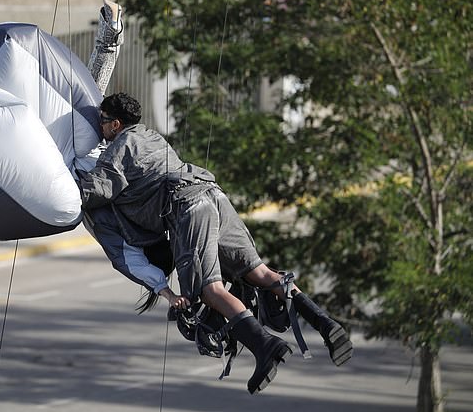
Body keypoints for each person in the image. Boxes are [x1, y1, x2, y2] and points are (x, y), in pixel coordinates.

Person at [78, 93, 353, 394]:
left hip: (187, 207)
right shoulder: (151, 135)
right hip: (213, 194)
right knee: (259, 272)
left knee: (211, 289)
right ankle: (327, 325)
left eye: (102, 121)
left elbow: (97, 189)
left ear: (115, 124)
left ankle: (265, 347)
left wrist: (66, 181)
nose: (100, 127)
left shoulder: (119, 146)